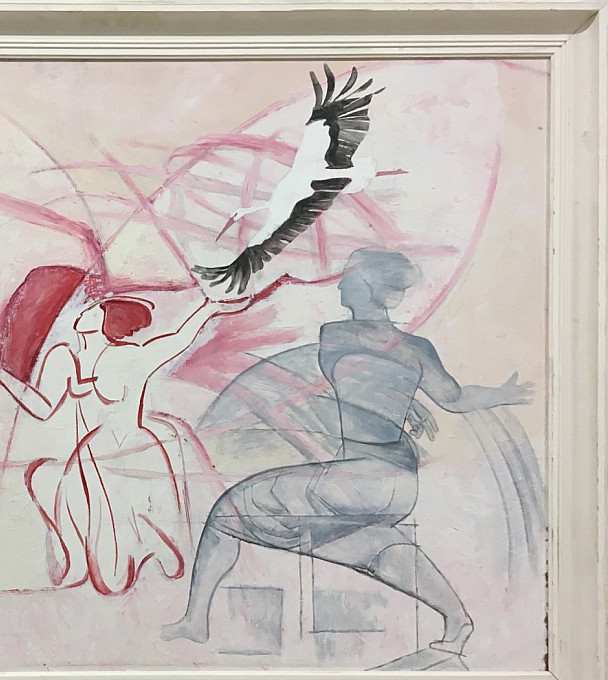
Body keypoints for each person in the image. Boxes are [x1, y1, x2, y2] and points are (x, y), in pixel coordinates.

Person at [162, 248, 533, 654]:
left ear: (371, 287)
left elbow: (339, 380)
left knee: (229, 511)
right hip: (397, 484)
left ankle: (196, 621)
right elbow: (453, 398)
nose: (340, 285)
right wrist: (495, 395)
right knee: (370, 547)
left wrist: (403, 398)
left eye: (349, 278)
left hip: (362, 477)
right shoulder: (416, 347)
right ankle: (457, 620)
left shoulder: (336, 335)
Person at [0, 293, 249, 595]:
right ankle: (131, 547)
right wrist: (2, 377)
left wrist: (209, 308)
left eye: (94, 309)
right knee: (44, 479)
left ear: (110, 321)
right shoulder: (64, 357)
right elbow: (42, 408)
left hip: (127, 451)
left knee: (112, 580)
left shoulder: (130, 357)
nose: (83, 311)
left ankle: (151, 542)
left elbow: (178, 339)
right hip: (90, 457)